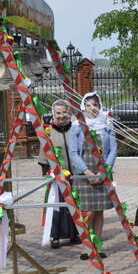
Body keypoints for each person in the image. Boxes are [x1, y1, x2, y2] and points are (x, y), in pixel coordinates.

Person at [69, 92, 118, 260]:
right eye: (89, 105)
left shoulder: (107, 124)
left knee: (99, 211)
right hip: (84, 174)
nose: (92, 108)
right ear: (83, 107)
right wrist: (87, 172)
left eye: (95, 104)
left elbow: (113, 149)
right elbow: (73, 153)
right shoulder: (76, 126)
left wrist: (105, 170)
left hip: (102, 172)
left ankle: (98, 246)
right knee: (87, 212)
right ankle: (86, 247)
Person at [38, 100, 82, 249]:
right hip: (57, 176)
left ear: (69, 113)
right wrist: (49, 174)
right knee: (57, 207)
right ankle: (55, 236)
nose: (61, 116)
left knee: (74, 204)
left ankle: (75, 234)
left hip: (74, 174)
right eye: (58, 113)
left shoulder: (75, 129)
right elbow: (44, 155)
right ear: (53, 114)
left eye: (64, 112)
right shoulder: (48, 131)